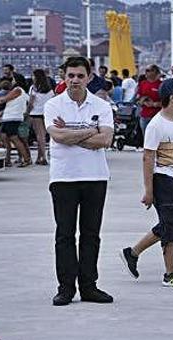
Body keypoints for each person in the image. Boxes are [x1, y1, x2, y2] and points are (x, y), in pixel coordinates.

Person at [44, 56, 115, 306]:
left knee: (91, 234)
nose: (75, 80)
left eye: (80, 76)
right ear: (64, 76)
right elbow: (58, 136)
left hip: (95, 177)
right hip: (64, 178)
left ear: (89, 77)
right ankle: (65, 288)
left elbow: (106, 140)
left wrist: (73, 135)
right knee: (64, 234)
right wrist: (91, 131)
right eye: (70, 75)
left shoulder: (101, 105)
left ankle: (89, 286)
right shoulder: (53, 105)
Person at [119, 80, 173, 288]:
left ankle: (132, 253)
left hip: (172, 178)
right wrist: (149, 190)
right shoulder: (156, 124)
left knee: (170, 222)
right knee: (171, 223)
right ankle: (170, 273)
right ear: (172, 98)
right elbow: (148, 158)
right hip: (160, 179)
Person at [0, 79, 31, 167]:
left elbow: (2, 100)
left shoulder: (18, 90)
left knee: (14, 138)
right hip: (9, 117)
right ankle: (7, 159)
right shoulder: (21, 92)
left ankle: (26, 159)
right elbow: (29, 100)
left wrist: (0, 99)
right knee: (4, 137)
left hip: (12, 117)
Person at [28, 68, 53, 165]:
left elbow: (31, 103)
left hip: (35, 113)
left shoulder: (33, 88)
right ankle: (39, 157)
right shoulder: (49, 89)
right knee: (45, 135)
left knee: (40, 136)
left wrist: (27, 112)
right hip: (46, 113)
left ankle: (43, 157)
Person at [137, 64, 163, 133]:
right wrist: (143, 101)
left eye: (149, 70)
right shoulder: (143, 83)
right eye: (146, 70)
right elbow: (138, 98)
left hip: (158, 117)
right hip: (144, 116)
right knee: (146, 140)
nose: (146, 72)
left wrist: (154, 104)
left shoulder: (161, 85)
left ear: (156, 72)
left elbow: (168, 102)